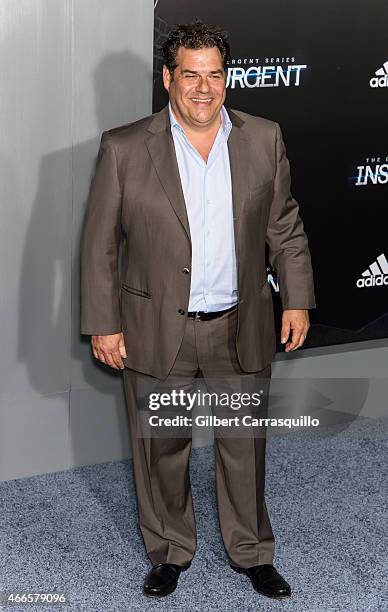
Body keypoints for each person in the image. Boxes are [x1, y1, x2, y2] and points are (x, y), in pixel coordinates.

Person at [80, 21, 316, 600]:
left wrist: (298, 296)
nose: (204, 88)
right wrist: (104, 322)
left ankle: (252, 552)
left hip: (242, 322)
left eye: (215, 75)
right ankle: (168, 549)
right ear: (169, 79)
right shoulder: (125, 147)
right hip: (159, 328)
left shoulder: (264, 138)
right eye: (192, 75)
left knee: (244, 448)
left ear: (227, 79)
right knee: (161, 448)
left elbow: (283, 226)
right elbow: (99, 245)